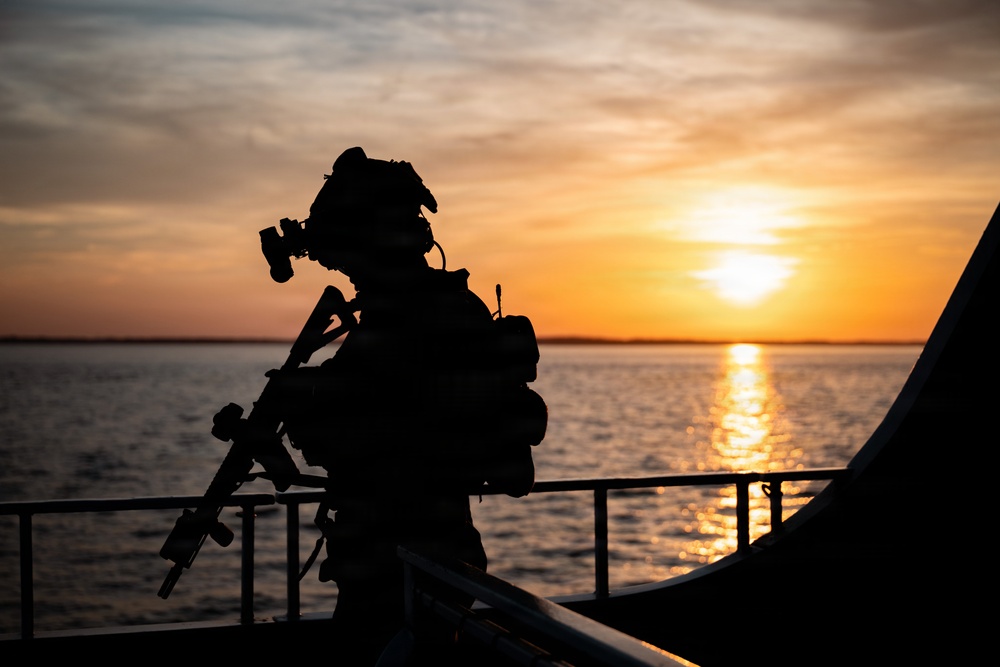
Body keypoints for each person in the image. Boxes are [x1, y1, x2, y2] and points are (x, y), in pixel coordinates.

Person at [277, 147, 545, 664]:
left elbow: (390, 420)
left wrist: (311, 402)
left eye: (348, 257)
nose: (347, 274)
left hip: (406, 558)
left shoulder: (414, 317)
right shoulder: (411, 313)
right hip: (398, 556)